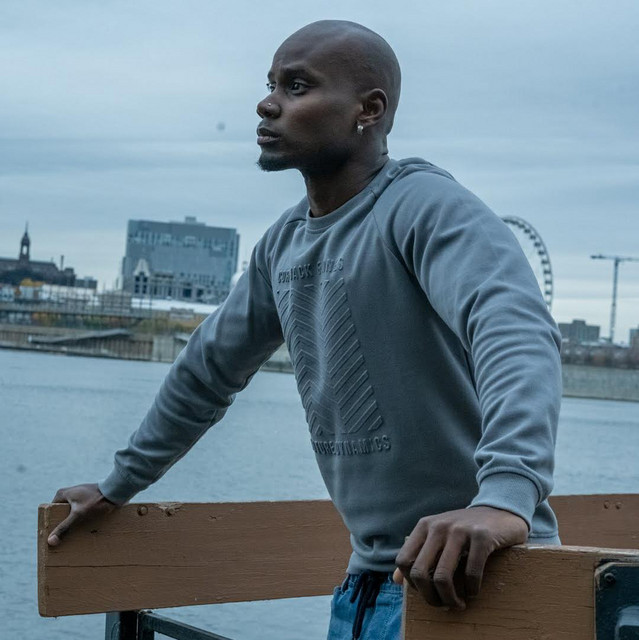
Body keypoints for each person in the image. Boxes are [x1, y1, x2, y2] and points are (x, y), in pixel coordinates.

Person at [48, 20, 562, 640]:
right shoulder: (283, 245)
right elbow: (206, 372)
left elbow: (515, 332)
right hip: (369, 586)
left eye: (297, 87)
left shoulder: (424, 207)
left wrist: (504, 497)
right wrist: (117, 485)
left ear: (368, 110)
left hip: (484, 583)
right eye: (270, 85)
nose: (267, 104)